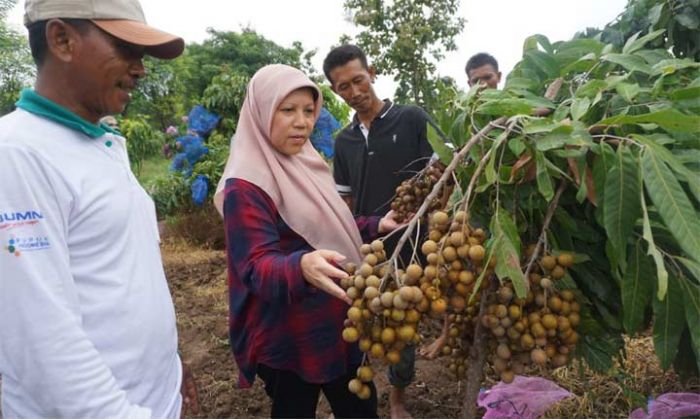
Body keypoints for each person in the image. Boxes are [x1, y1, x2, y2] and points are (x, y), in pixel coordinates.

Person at [0, 0, 198, 417]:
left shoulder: (98, 143)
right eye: (126, 49)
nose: (140, 68)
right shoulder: (17, 155)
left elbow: (122, 276)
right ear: (62, 39)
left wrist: (172, 368)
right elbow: (42, 342)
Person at [213, 64, 403, 419]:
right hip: (290, 333)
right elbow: (254, 266)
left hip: (339, 321)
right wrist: (299, 265)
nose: (303, 122)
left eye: (308, 111)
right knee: (293, 409)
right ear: (261, 111)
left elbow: (328, 224)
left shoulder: (305, 162)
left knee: (360, 408)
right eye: (288, 110)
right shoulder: (246, 186)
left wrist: (377, 224)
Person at [323, 44, 434, 419]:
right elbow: (345, 203)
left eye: (358, 80)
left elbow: (441, 179)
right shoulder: (344, 141)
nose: (354, 92)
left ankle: (398, 398)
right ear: (336, 91)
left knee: (403, 328)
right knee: (367, 324)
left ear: (371, 73)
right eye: (343, 87)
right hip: (367, 251)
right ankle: (364, 396)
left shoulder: (412, 119)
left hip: (413, 247)